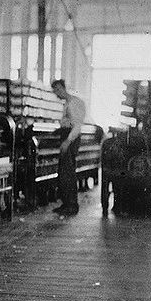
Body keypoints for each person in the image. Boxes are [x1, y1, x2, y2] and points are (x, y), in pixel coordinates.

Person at [51, 78, 86, 216]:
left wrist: (67, 141)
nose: (56, 94)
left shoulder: (73, 103)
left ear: (61, 88)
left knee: (68, 173)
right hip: (67, 136)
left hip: (71, 139)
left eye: (56, 91)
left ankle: (71, 206)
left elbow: (77, 126)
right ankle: (66, 203)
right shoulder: (67, 103)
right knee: (64, 172)